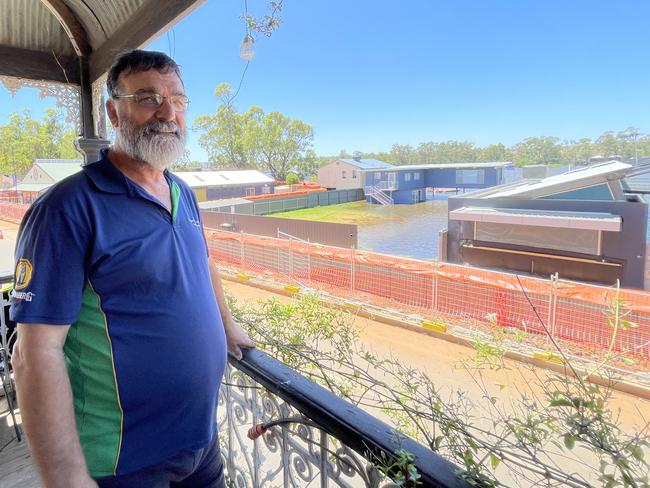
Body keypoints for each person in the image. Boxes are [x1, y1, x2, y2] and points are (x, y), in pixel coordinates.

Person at [9, 49, 255, 488]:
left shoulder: (182, 191)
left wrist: (228, 324)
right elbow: (33, 353)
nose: (167, 112)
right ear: (113, 112)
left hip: (201, 441)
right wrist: (65, 478)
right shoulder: (68, 207)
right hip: (125, 462)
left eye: (178, 100)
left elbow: (203, 262)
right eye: (147, 97)